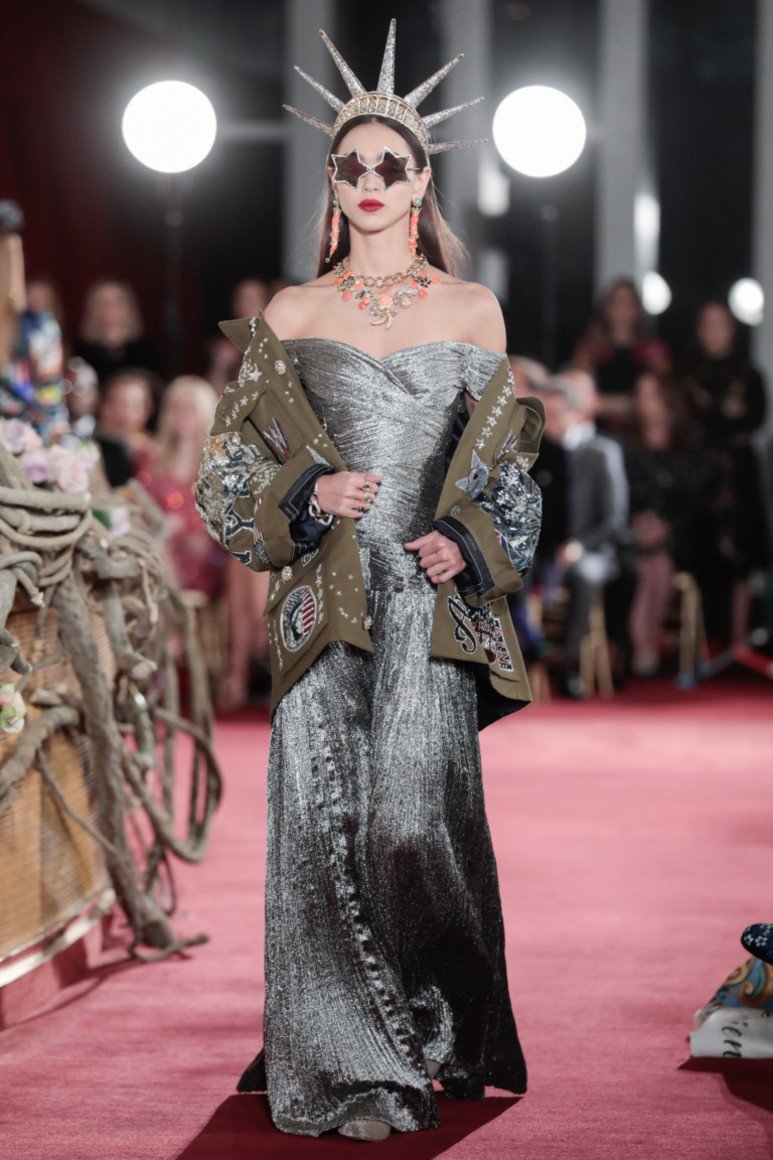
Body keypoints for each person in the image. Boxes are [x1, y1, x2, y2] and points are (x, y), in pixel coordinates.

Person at [194, 19, 544, 1142]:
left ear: (422, 178)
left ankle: (436, 1026)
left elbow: (508, 466)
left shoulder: (472, 308)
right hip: (323, 600)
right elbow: (226, 468)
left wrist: (467, 539)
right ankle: (351, 1064)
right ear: (333, 181)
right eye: (351, 164)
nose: (371, 179)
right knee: (323, 829)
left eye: (392, 162)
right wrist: (307, 493)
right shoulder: (293, 313)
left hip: (425, 605)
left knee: (406, 822)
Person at [685, 301, 769, 642]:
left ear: (732, 330)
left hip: (737, 472)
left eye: (720, 324)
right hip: (699, 471)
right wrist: (724, 418)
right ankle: (701, 639)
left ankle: (738, 639)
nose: (713, 331)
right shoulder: (689, 373)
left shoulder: (748, 373)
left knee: (741, 554)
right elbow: (690, 421)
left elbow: (754, 419)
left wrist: (719, 422)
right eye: (707, 323)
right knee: (703, 552)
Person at [547, 369, 630, 697]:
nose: (549, 422)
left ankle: (569, 665)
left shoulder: (602, 452)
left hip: (594, 551)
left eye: (555, 414)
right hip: (545, 551)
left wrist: (577, 547)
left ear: (575, 413)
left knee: (582, 575)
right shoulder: (539, 452)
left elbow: (614, 520)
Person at [625, 370, 711, 676]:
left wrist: (666, 526)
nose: (644, 402)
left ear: (668, 400)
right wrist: (637, 522)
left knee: (659, 565)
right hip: (632, 534)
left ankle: (646, 643)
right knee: (646, 566)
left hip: (677, 535)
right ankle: (642, 644)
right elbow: (620, 495)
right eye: (640, 395)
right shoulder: (627, 444)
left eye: (651, 395)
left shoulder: (687, 445)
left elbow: (694, 500)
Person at [573, 277, 671, 437]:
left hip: (641, 433)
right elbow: (577, 394)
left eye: (628, 303)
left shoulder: (654, 350)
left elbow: (666, 396)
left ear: (637, 308)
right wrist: (628, 404)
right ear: (606, 307)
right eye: (616, 303)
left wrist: (607, 404)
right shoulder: (589, 349)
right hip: (596, 431)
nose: (621, 310)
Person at [74, 279, 160, 387]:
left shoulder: (147, 352)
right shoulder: (79, 354)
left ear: (130, 309)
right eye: (102, 303)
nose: (110, 309)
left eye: (118, 302)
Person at [96, 368, 156, 486]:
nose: (121, 412)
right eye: (113, 403)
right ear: (100, 405)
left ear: (146, 411)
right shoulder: (83, 447)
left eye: (132, 405)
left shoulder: (155, 456)